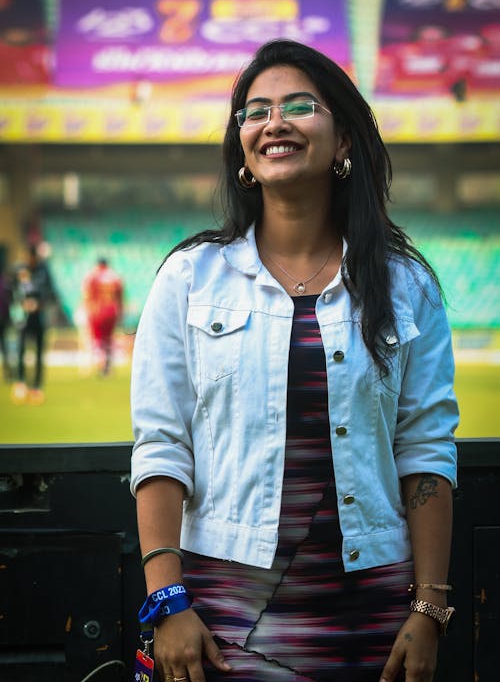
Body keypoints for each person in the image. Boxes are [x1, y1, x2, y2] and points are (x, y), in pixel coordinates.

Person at [130, 39, 458, 682]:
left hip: (373, 610)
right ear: (243, 151)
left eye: (299, 106)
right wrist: (168, 601)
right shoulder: (189, 278)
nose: (273, 122)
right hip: (224, 607)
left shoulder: (407, 285)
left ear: (343, 142)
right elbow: (162, 444)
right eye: (254, 112)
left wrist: (430, 604)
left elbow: (425, 448)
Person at [11, 244, 56, 404]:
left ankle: (36, 387)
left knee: (38, 352)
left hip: (39, 318)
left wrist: (39, 304)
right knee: (21, 349)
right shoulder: (19, 271)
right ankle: (21, 382)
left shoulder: (44, 271)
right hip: (23, 318)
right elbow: (13, 292)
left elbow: (51, 293)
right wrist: (22, 304)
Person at [82, 257, 123, 375]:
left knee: (98, 340)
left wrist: (88, 309)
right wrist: (120, 312)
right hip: (111, 311)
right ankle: (108, 365)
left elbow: (87, 295)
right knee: (108, 339)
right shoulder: (115, 277)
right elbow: (120, 297)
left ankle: (101, 366)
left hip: (97, 311)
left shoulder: (92, 276)